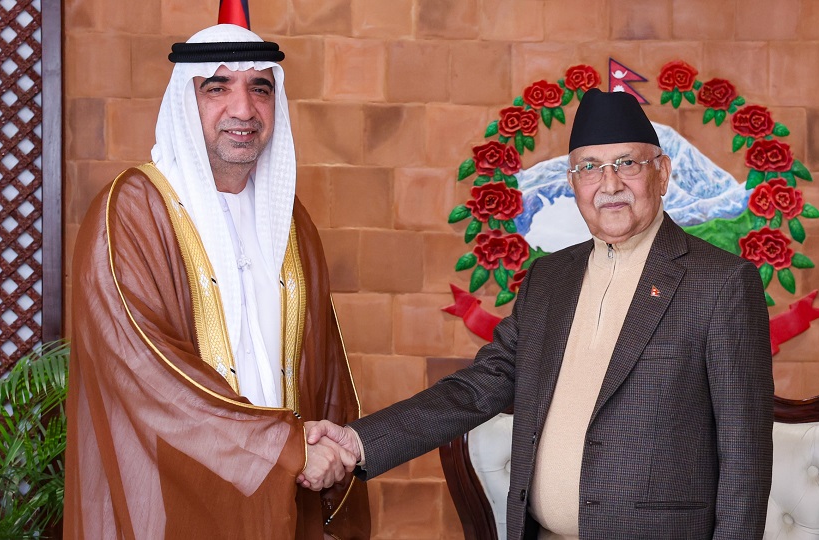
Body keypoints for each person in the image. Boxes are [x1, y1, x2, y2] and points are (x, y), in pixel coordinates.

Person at [306, 88, 774, 539]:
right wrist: (358, 441)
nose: (610, 184)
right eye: (589, 168)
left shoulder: (722, 283)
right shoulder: (550, 279)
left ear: (663, 173)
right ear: (573, 183)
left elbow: (746, 460)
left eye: (627, 163)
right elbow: (479, 387)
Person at [64, 24, 369, 539]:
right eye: (217, 87)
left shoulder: (289, 220)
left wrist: (332, 448)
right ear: (186, 101)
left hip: (281, 500)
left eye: (260, 88)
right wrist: (287, 447)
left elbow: (325, 366)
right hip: (173, 502)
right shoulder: (132, 211)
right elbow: (145, 373)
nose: (243, 109)